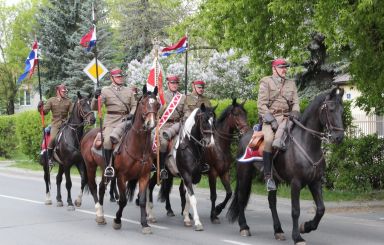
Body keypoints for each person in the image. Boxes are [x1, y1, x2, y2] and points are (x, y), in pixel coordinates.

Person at [257, 58, 300, 191]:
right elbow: (261, 105)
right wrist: (271, 120)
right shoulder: (266, 82)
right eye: (281, 67)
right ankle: (268, 177)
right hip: (271, 118)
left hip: (288, 118)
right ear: (274, 69)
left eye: (285, 67)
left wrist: (295, 112)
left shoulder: (291, 83)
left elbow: (296, 103)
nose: (284, 69)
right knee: (269, 140)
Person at [92, 67, 137, 178]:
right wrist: (95, 97)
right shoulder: (105, 90)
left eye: (121, 76)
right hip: (111, 121)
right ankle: (108, 167)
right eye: (118, 77)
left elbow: (134, 105)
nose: (120, 78)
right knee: (107, 141)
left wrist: (131, 114)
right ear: (112, 78)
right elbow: (95, 108)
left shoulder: (129, 91)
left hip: (126, 120)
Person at [156, 74, 186, 180]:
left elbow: (186, 112)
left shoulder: (183, 97)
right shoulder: (161, 96)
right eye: (172, 83)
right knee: (163, 143)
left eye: (176, 83)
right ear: (168, 84)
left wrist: (184, 120)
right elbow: (156, 114)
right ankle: (163, 168)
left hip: (178, 125)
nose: (175, 85)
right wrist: (161, 106)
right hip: (164, 125)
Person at [37, 84, 72, 166]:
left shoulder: (68, 101)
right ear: (58, 91)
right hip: (56, 124)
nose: (65, 93)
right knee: (52, 138)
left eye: (66, 91)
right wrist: (40, 107)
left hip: (66, 124)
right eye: (63, 91)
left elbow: (72, 113)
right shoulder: (51, 100)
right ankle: (50, 158)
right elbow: (44, 112)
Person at [183, 80, 212, 173]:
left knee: (210, 142)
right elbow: (185, 111)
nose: (201, 89)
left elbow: (210, 114)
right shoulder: (186, 98)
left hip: (203, 127)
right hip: (189, 125)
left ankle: (204, 164)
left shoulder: (206, 100)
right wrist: (193, 118)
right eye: (199, 87)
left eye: (202, 88)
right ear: (193, 87)